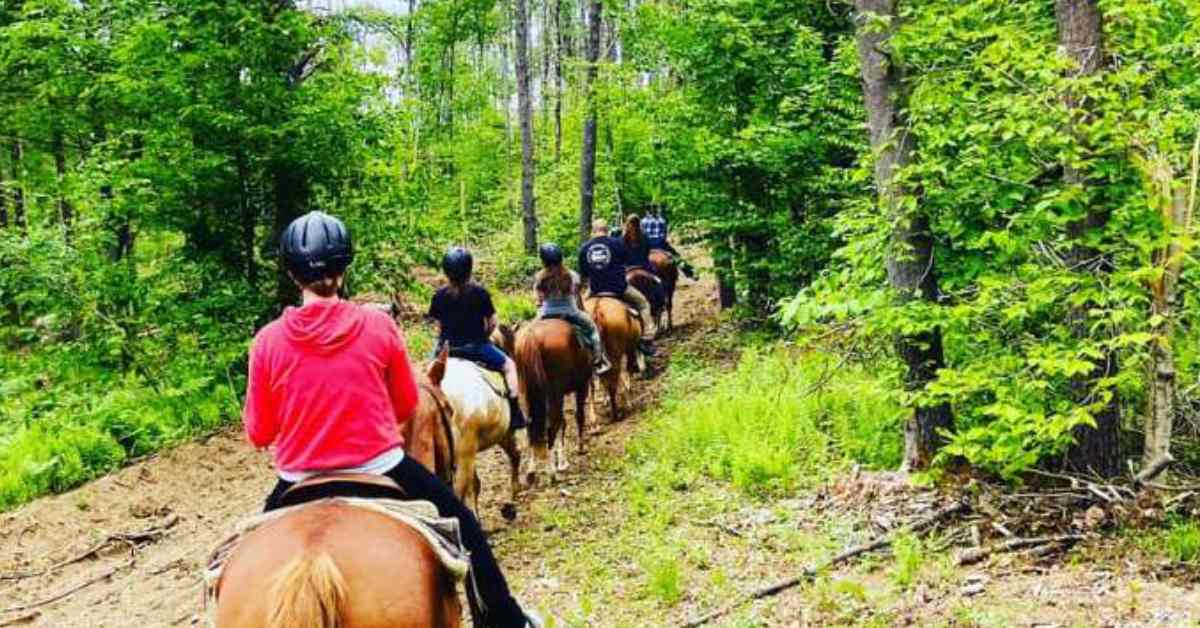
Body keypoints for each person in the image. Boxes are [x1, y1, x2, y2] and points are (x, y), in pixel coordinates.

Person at [243, 211, 547, 628]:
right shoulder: (377, 325)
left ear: (291, 274)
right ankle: (508, 621)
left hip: (298, 476)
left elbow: (259, 432)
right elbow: (405, 405)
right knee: (465, 527)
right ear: (344, 268)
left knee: (239, 556)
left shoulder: (267, 341)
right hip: (379, 465)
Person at [428, 246, 527, 430]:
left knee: (425, 376)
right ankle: (515, 413)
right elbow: (492, 323)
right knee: (509, 366)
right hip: (476, 347)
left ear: (446, 271)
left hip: (448, 349)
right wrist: (485, 337)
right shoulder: (480, 293)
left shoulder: (439, 295)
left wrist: (443, 342)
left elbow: (438, 327)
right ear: (469, 269)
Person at [577, 218, 656, 356]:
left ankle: (579, 342)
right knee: (643, 303)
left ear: (593, 231)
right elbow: (627, 263)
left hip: (595, 289)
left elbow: (584, 274)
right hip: (619, 287)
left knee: (579, 311)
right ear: (606, 230)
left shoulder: (584, 248)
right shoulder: (617, 244)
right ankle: (647, 338)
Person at [533, 242, 612, 375]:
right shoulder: (572, 275)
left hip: (545, 314)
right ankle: (599, 360)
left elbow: (538, 300)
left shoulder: (539, 277)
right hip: (570, 312)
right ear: (560, 258)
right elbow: (576, 296)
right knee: (593, 330)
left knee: (528, 332)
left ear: (543, 260)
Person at [641, 204, 696, 279]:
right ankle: (689, 273)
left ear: (647, 211)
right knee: (677, 257)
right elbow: (664, 234)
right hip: (660, 244)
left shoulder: (643, 221)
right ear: (656, 210)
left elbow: (642, 234)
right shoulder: (662, 220)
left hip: (647, 245)